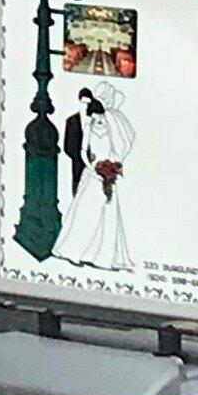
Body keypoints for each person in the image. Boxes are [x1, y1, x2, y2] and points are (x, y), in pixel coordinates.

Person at [52, 82, 135, 271]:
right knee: (84, 212)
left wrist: (111, 167)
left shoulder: (111, 129)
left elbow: (116, 150)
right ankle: (75, 251)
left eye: (100, 115)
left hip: (106, 174)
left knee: (106, 213)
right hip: (92, 173)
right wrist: (93, 168)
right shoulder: (88, 128)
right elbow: (82, 151)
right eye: (94, 115)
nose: (97, 119)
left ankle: (101, 255)